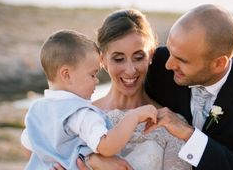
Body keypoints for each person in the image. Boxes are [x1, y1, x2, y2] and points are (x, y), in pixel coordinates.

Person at [81, 4, 233, 170]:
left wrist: (188, 134)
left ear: (218, 64)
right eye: (169, 51)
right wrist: (89, 158)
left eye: (180, 60)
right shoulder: (158, 63)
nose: (168, 65)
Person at [23, 11, 191, 170]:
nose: (130, 70)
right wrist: (89, 160)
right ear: (101, 59)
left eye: (139, 57)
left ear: (151, 55)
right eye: (118, 59)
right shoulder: (77, 116)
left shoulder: (171, 125)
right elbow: (38, 154)